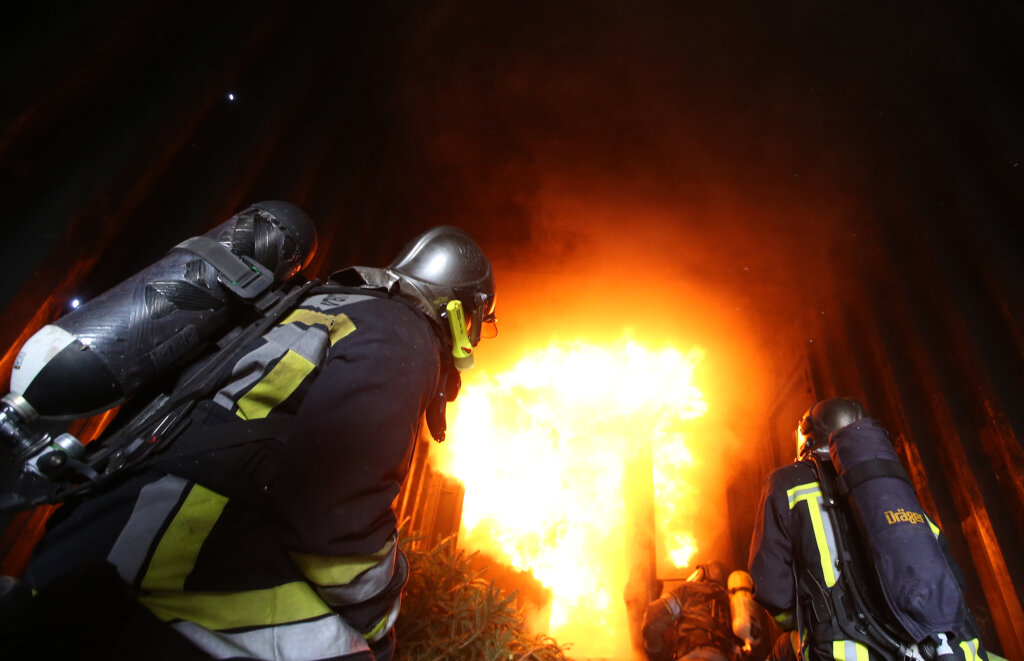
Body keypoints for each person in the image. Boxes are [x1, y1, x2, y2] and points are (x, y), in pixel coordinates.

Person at [0, 222, 497, 660]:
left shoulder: (309, 300)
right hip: (167, 577)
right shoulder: (405, 331)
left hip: (84, 544)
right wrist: (382, 618)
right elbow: (340, 517)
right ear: (461, 311)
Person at [748, 398, 988, 661]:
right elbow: (952, 573)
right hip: (953, 649)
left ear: (807, 437)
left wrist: (809, 618)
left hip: (848, 652)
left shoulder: (786, 481)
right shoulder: (890, 483)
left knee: (783, 650)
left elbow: (771, 587)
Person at [641, 561, 776, 661]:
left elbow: (654, 615)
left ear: (700, 575)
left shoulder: (689, 590)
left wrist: (660, 655)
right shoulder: (734, 601)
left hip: (692, 655)